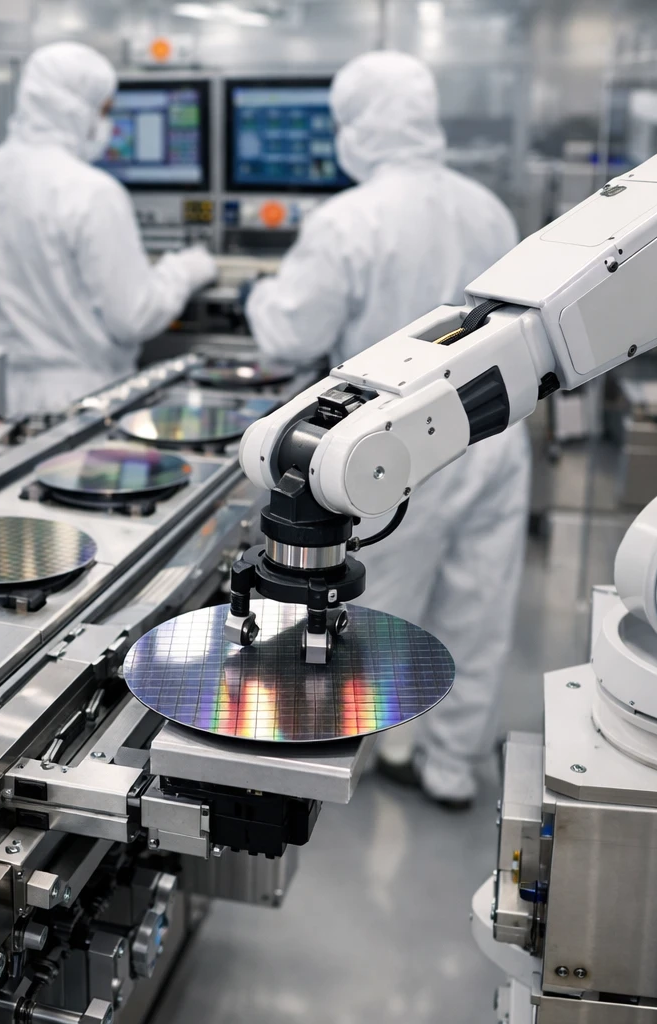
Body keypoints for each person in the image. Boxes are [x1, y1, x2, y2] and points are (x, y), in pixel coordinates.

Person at [245, 50, 530, 810]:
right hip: (495, 434)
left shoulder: (350, 220)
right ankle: (450, 770)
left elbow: (285, 334)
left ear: (360, 125)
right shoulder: (487, 207)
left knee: (373, 608)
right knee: (479, 605)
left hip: (393, 450)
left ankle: (354, 759)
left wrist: (259, 294)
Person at [0, 42, 217, 416]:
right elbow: (133, 316)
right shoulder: (92, 192)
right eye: (104, 111)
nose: (107, 125)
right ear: (76, 109)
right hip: (81, 401)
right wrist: (186, 270)